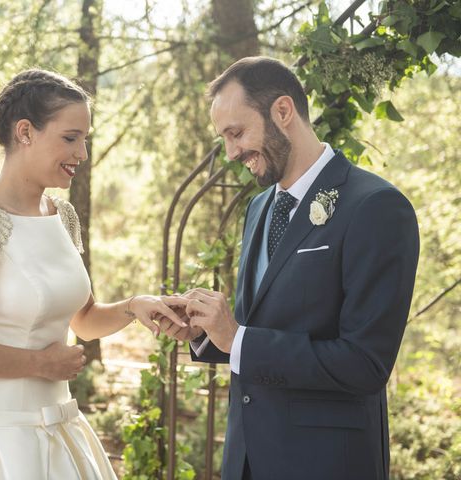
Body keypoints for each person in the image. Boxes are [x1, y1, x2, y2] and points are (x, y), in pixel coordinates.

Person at [0, 68, 184, 480]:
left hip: (62, 431)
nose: (82, 153)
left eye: (85, 139)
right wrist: (38, 364)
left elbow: (83, 321)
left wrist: (134, 307)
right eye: (70, 138)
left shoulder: (63, 216)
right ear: (25, 133)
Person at [160, 57, 420, 480]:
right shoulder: (259, 207)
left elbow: (365, 364)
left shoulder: (376, 207)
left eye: (237, 133)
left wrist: (239, 340)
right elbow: (259, 323)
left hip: (326, 463)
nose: (231, 152)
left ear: (282, 112)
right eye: (224, 138)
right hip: (246, 459)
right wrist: (208, 331)